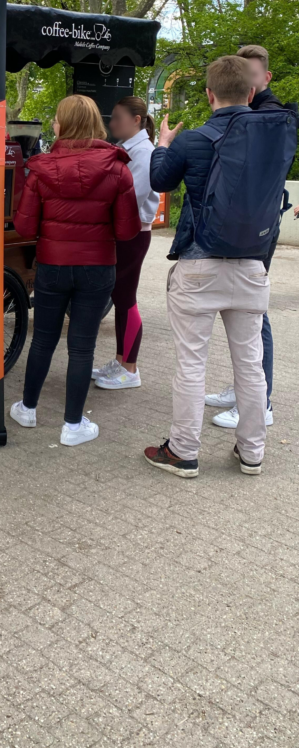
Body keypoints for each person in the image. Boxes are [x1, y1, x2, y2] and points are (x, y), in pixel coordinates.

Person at [146, 55, 271, 477]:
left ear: (208, 94)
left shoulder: (193, 139)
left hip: (199, 265)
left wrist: (163, 143)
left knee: (191, 363)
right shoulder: (269, 142)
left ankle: (183, 451)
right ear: (251, 94)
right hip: (252, 265)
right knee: (250, 363)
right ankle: (252, 452)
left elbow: (161, 181)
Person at [9, 94, 141, 445]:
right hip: (98, 269)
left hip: (52, 265)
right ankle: (72, 426)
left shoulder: (40, 168)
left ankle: (27, 409)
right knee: (82, 347)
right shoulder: (118, 167)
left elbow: (24, 227)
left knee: (43, 341)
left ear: (63, 124)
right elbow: (127, 231)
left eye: (56, 118)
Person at [204, 44, 291, 429]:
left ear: (264, 79)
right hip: (241, 225)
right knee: (243, 308)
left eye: (251, 75)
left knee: (256, 312)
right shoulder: (253, 114)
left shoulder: (273, 117)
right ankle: (244, 389)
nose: (246, 84)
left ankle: (261, 400)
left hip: (255, 227)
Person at [93, 96, 159, 389]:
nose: (111, 123)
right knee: (121, 297)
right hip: (124, 232)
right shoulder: (126, 149)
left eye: (117, 117)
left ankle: (130, 368)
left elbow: (133, 197)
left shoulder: (143, 152)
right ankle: (121, 360)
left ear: (136, 120)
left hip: (133, 233)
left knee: (126, 298)